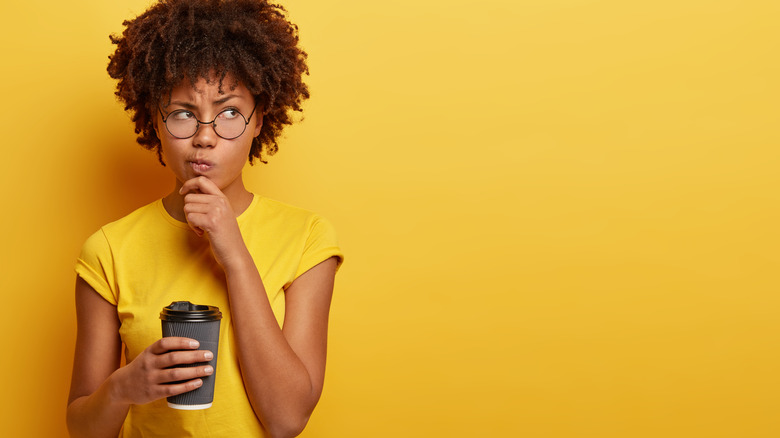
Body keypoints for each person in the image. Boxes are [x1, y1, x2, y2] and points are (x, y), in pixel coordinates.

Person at [66, 1, 343, 437]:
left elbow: (287, 420)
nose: (205, 137)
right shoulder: (108, 250)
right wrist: (123, 388)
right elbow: (83, 428)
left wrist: (232, 251)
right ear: (155, 123)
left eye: (230, 112)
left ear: (258, 122)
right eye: (182, 113)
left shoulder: (308, 238)